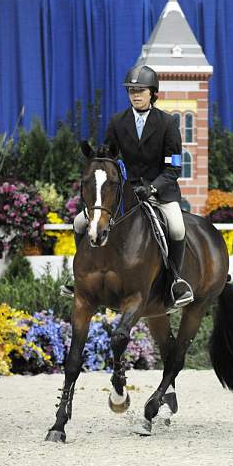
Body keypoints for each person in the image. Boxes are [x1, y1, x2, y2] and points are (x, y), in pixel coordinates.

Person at [61, 64, 193, 309]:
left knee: (176, 227)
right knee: (80, 222)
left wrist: (153, 188)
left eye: (140, 90)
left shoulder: (167, 124)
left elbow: (173, 167)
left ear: (153, 93)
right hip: (125, 193)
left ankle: (175, 281)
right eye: (131, 90)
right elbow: (109, 157)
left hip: (159, 192)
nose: (135, 94)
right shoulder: (118, 122)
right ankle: (79, 275)